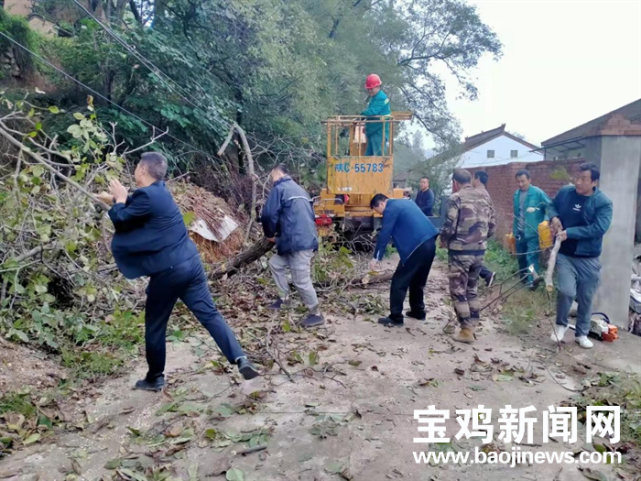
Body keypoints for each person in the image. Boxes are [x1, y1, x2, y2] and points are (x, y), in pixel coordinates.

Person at [99, 152, 259, 391]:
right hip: (191, 264)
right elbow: (135, 205)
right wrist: (115, 199)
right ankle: (240, 358)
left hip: (169, 271)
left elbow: (122, 219)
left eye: (137, 167)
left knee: (155, 325)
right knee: (210, 314)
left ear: (142, 170)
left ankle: (155, 378)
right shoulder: (159, 192)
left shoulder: (148, 195)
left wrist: (120, 200)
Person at [548, 163, 612, 349]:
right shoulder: (566, 193)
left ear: (594, 182)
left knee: (586, 297)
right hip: (565, 253)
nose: (578, 182)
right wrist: (554, 217)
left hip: (588, 257)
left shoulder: (603, 202)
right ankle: (560, 325)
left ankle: (581, 333)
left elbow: (599, 228)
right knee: (567, 291)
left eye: (584, 179)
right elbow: (551, 205)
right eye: (577, 177)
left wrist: (571, 232)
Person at [261, 164, 324, 328]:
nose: (271, 179)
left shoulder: (280, 188)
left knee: (301, 280)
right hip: (297, 239)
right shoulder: (300, 190)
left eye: (272, 175)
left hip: (297, 242)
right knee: (275, 264)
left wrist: (269, 234)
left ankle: (316, 314)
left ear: (277, 173)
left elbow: (268, 214)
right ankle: (284, 298)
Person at [440, 169, 496, 344]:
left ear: (455, 182)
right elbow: (493, 225)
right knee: (472, 289)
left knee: (458, 290)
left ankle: (465, 331)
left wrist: (443, 240)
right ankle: (473, 324)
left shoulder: (456, 198)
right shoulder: (485, 197)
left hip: (460, 252)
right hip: (479, 251)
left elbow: (450, 224)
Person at [369, 194, 439, 327]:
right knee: (418, 281)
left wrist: (376, 257)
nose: (380, 214)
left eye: (378, 210)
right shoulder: (407, 202)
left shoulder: (390, 208)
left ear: (382, 203)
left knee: (398, 282)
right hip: (430, 243)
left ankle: (396, 317)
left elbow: (385, 232)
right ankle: (418, 311)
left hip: (416, 247)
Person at [513, 169, 551, 288]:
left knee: (531, 257)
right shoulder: (516, 194)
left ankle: (532, 281)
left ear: (529, 180)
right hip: (519, 232)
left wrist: (545, 220)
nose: (520, 184)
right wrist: (514, 231)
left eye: (523, 181)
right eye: (518, 181)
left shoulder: (538, 193)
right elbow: (517, 214)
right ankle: (523, 278)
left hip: (533, 233)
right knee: (521, 256)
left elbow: (550, 207)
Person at [472, 171, 496, 288]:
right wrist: (488, 234)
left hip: (473, 233)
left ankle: (487, 275)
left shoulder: (474, 194)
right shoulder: (487, 195)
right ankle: (487, 275)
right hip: (483, 234)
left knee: (470, 260)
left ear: (477, 178)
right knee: (475, 259)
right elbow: (493, 218)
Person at [361, 74, 391, 156]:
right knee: (367, 157)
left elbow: (372, 112)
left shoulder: (381, 97)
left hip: (379, 132)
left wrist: (360, 116)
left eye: (371, 88)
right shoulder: (374, 97)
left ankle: (383, 168)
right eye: (368, 89)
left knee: (378, 158)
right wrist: (366, 125)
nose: (370, 91)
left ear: (378, 86)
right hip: (374, 132)